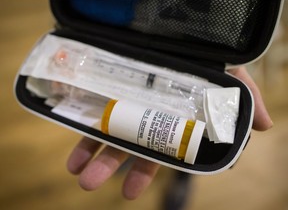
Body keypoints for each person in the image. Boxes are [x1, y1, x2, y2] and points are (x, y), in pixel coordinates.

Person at [66, 66, 273, 201]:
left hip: (199, 62)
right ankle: (133, 149)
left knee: (192, 149)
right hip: (136, 48)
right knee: (138, 133)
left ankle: (183, 176)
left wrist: (226, 63)